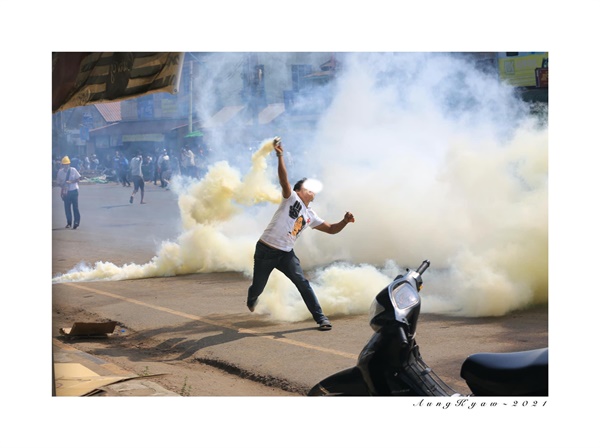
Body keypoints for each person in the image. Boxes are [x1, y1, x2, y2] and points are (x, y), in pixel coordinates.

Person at [247, 138, 355, 331]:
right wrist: (280, 155)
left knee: (303, 284)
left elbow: (331, 229)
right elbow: (283, 180)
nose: (312, 191)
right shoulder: (291, 198)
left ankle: (321, 318)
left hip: (286, 254)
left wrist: (344, 222)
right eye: (308, 188)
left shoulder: (310, 214)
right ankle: (252, 298)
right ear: (299, 190)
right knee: (258, 287)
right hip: (266, 250)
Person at [56, 156, 82, 229]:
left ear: (69, 164)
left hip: (74, 190)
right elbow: (58, 182)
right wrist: (63, 186)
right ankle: (69, 222)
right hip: (66, 192)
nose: (66, 166)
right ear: (62, 165)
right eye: (65, 164)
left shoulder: (73, 170)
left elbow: (78, 179)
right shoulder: (60, 172)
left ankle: (76, 222)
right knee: (67, 208)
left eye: (67, 164)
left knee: (75, 208)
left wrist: (71, 182)